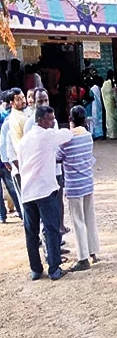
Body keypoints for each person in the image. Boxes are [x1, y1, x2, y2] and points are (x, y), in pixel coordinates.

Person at [18, 106, 73, 280]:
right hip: (44, 189)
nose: (53, 122)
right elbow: (67, 134)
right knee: (51, 229)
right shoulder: (46, 136)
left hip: (27, 191)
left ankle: (35, 269)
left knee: (31, 233)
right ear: (41, 120)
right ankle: (54, 268)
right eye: (50, 119)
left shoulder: (24, 140)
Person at [55, 106, 99, 272]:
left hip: (74, 185)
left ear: (70, 118)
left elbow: (58, 157)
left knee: (78, 221)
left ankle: (82, 257)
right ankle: (93, 251)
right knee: (90, 217)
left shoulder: (67, 139)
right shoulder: (88, 136)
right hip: (87, 182)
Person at [0, 91, 22, 223]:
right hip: (6, 158)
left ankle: (2, 216)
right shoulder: (8, 117)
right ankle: (20, 211)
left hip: (5, 157)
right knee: (12, 188)